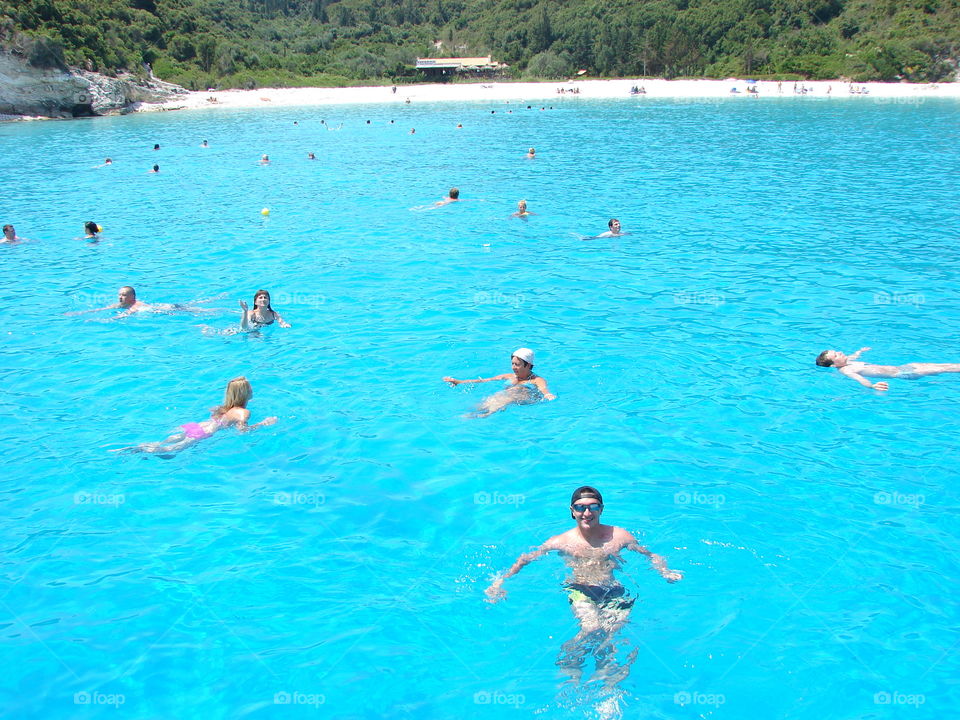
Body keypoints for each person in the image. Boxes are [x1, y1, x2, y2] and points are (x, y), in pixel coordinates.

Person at [485, 486, 681, 685]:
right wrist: (499, 582)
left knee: (612, 636)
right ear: (572, 510)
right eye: (580, 507)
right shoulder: (560, 541)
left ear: (601, 509)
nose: (587, 513)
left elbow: (650, 555)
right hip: (581, 590)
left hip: (614, 591)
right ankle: (570, 662)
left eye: (593, 507)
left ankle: (608, 685)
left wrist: (665, 571)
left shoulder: (619, 536)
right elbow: (525, 559)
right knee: (592, 628)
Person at [113, 376, 276, 455]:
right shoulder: (243, 412)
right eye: (250, 388)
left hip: (196, 426)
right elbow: (243, 431)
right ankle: (138, 449)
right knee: (168, 450)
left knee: (165, 443)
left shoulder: (224, 408)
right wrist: (263, 423)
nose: (252, 390)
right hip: (204, 432)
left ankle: (140, 446)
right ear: (244, 393)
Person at [443, 347, 555, 417]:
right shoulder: (509, 376)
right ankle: (465, 416)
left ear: (529, 365)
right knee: (482, 404)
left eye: (517, 364)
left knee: (512, 393)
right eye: (512, 363)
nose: (513, 367)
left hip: (521, 399)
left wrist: (548, 395)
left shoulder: (536, 380)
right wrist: (460, 382)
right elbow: (484, 380)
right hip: (503, 397)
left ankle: (485, 414)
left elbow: (543, 389)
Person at [816, 347, 960, 391]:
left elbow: (853, 356)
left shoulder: (849, 361)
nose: (841, 353)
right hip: (904, 374)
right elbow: (860, 380)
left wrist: (860, 351)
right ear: (834, 365)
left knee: (943, 365)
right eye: (836, 355)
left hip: (903, 367)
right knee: (945, 369)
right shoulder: (846, 370)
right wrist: (872, 386)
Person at [70, 286, 214, 317]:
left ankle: (212, 309)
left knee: (198, 310)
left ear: (132, 297)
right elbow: (103, 309)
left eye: (124, 295)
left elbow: (127, 314)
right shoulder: (121, 304)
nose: (121, 297)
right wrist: (81, 313)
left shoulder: (134, 305)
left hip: (169, 308)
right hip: (163, 308)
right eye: (120, 294)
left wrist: (114, 318)